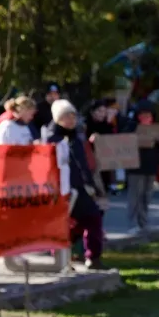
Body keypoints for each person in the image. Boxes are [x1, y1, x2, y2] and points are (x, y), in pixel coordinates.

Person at [43, 100, 107, 270]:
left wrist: (91, 184)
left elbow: (83, 163)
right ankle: (61, 257)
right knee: (66, 225)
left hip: (80, 188)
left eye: (72, 116)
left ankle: (92, 257)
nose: (71, 120)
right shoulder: (51, 139)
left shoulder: (76, 137)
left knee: (91, 220)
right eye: (66, 116)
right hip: (61, 189)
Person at [123, 103, 159, 233]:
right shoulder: (131, 127)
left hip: (150, 167)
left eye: (149, 115)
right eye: (143, 115)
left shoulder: (156, 129)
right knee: (135, 195)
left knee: (147, 196)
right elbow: (123, 143)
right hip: (135, 168)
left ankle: (143, 222)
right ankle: (133, 223)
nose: (146, 117)